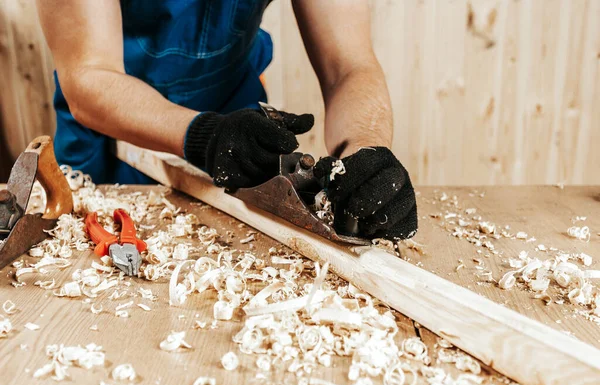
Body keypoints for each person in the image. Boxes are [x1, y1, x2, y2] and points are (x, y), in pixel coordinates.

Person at [37, 0, 417, 240]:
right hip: (110, 130)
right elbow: (88, 75)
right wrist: (204, 136)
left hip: (237, 131)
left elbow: (348, 67)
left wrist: (365, 149)